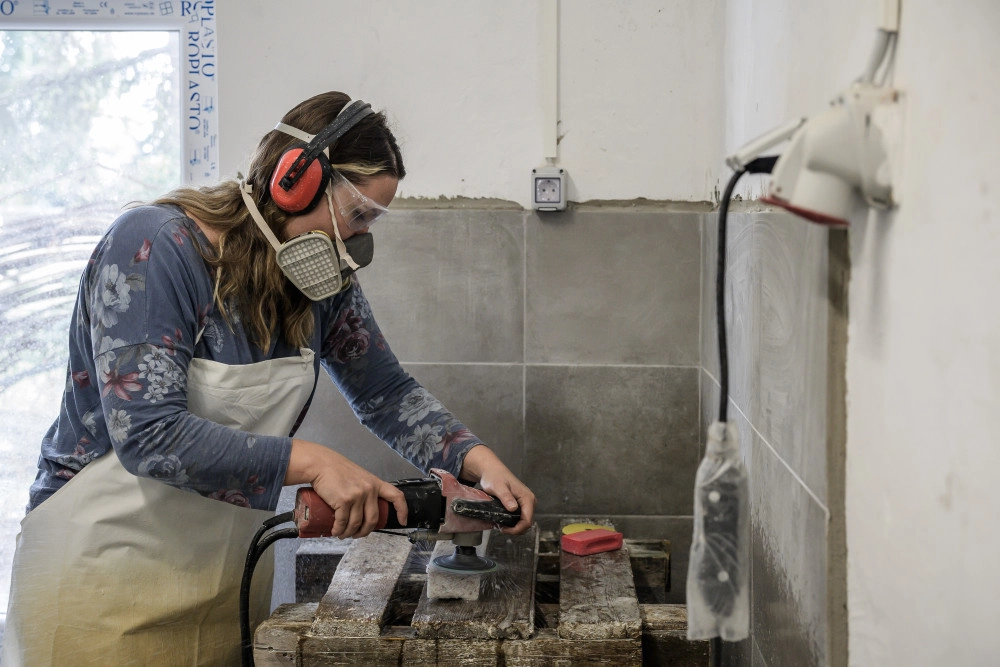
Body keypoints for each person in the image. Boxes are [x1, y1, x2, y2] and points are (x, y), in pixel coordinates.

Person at [2, 91, 536, 666]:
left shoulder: (321, 285)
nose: (359, 244)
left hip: (221, 582)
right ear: (293, 182)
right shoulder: (156, 247)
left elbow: (385, 393)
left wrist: (475, 461)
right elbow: (148, 435)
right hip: (98, 583)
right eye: (357, 216)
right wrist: (314, 462)